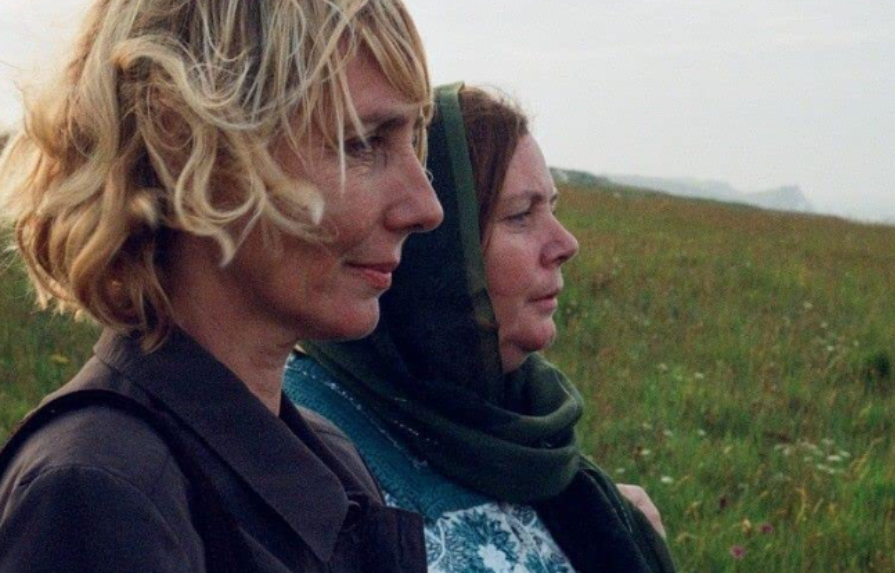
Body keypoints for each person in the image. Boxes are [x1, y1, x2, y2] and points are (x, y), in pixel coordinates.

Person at [0, 0, 445, 572]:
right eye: (363, 143)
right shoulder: (101, 494)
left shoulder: (325, 454)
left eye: (414, 143)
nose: (425, 207)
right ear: (190, 148)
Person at [286, 84, 676, 573]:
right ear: (436, 257)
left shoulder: (526, 432)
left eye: (552, 207)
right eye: (520, 216)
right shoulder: (301, 447)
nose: (565, 243)